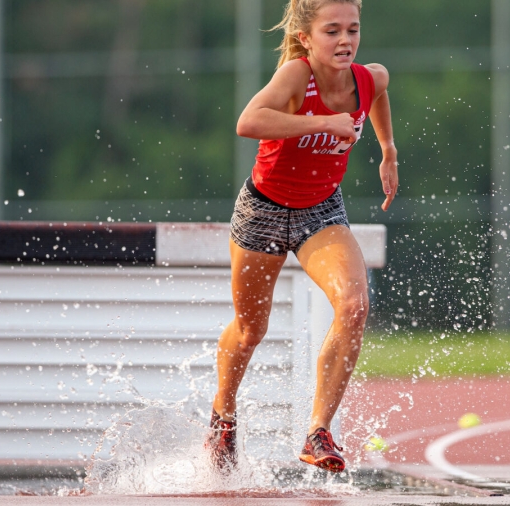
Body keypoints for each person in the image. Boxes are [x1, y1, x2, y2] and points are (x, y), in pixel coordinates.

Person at [205, 0, 397, 474]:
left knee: (354, 306)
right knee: (252, 329)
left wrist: (388, 148)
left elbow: (379, 91)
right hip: (264, 210)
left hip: (320, 211)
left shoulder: (367, 79)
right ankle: (223, 417)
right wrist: (321, 122)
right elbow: (248, 121)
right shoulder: (297, 75)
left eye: (353, 29)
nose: (345, 40)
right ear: (307, 39)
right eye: (332, 31)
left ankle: (318, 432)